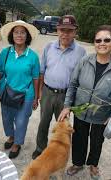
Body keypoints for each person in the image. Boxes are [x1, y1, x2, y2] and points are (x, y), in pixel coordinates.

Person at [58, 25, 111, 178]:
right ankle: (78, 163)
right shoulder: (84, 61)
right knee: (79, 138)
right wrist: (67, 106)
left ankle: (93, 165)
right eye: (98, 40)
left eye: (107, 40)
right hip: (81, 110)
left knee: (97, 141)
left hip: (101, 114)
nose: (102, 43)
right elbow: (73, 84)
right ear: (94, 43)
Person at [32, 15, 87, 160]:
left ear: (75, 32)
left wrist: (71, 102)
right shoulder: (49, 47)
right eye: (62, 29)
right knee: (43, 123)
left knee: (64, 127)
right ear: (57, 30)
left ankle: (60, 154)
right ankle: (40, 148)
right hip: (47, 92)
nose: (65, 33)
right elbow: (42, 72)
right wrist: (39, 94)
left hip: (66, 96)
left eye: (69, 30)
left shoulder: (81, 52)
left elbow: (80, 78)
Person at [0, 20, 40, 158]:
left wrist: (36, 97)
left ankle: (17, 143)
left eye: (22, 32)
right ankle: (11, 137)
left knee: (21, 121)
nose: (19, 35)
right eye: (16, 32)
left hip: (26, 94)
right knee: (7, 118)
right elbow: (0, 72)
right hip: (7, 92)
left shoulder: (32, 56)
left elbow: (35, 78)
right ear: (12, 35)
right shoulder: (5, 53)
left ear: (27, 36)